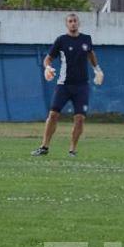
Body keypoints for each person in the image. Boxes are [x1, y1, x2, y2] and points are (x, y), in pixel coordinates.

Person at [31, 13, 104, 157]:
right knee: (53, 115)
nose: (73, 23)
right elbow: (48, 59)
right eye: (70, 21)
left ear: (79, 23)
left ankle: (72, 150)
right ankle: (44, 147)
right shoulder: (61, 40)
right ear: (67, 24)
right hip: (63, 85)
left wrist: (97, 70)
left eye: (75, 21)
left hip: (81, 86)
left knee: (80, 118)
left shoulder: (86, 39)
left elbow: (91, 54)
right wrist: (48, 67)